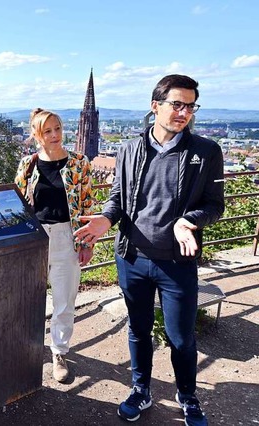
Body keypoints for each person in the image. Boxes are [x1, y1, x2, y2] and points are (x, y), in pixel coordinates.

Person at [74, 74, 224, 425]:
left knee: (181, 336)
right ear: (155, 106)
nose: (184, 112)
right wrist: (105, 221)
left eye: (190, 106)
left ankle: (188, 396)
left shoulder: (206, 152)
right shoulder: (129, 149)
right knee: (138, 329)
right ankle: (141, 390)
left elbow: (216, 206)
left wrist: (189, 220)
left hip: (177, 262)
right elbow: (118, 201)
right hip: (132, 258)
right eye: (177, 104)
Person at [15, 108, 95, 383]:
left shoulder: (79, 163)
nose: (55, 135)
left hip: (66, 237)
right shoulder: (28, 164)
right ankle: (26, 349)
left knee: (64, 299)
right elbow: (18, 204)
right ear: (36, 135)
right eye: (47, 131)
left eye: (58, 129)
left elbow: (86, 205)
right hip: (34, 238)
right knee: (28, 298)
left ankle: (59, 352)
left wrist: (86, 242)